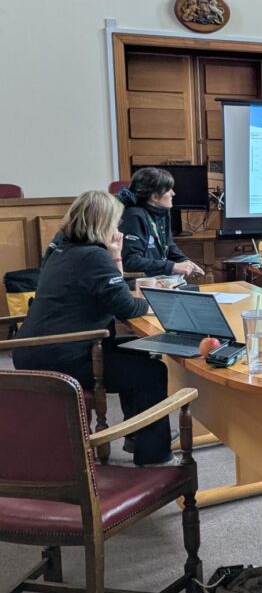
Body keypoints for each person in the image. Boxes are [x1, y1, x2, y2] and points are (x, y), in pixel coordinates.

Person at [13, 190, 174, 466]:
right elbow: (127, 307)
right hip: (64, 356)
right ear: (102, 223)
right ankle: (154, 456)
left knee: (137, 352)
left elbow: (115, 291)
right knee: (152, 372)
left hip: (35, 349)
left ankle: (137, 434)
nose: (118, 228)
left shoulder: (60, 248)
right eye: (115, 222)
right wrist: (157, 303)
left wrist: (116, 257)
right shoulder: (91, 257)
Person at [118, 166, 205, 278]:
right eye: (168, 190)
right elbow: (130, 261)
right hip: (141, 283)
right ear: (154, 196)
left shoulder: (163, 212)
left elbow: (168, 245)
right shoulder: (134, 216)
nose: (173, 193)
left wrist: (186, 262)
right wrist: (171, 266)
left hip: (160, 280)